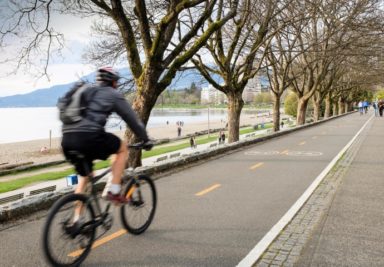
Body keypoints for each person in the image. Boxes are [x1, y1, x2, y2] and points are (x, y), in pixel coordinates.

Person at [61, 66, 153, 209]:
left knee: (85, 177)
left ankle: (76, 221)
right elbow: (131, 119)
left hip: (67, 139)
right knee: (122, 148)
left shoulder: (87, 91)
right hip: (90, 137)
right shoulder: (112, 94)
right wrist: (145, 138)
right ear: (114, 82)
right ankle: (114, 191)